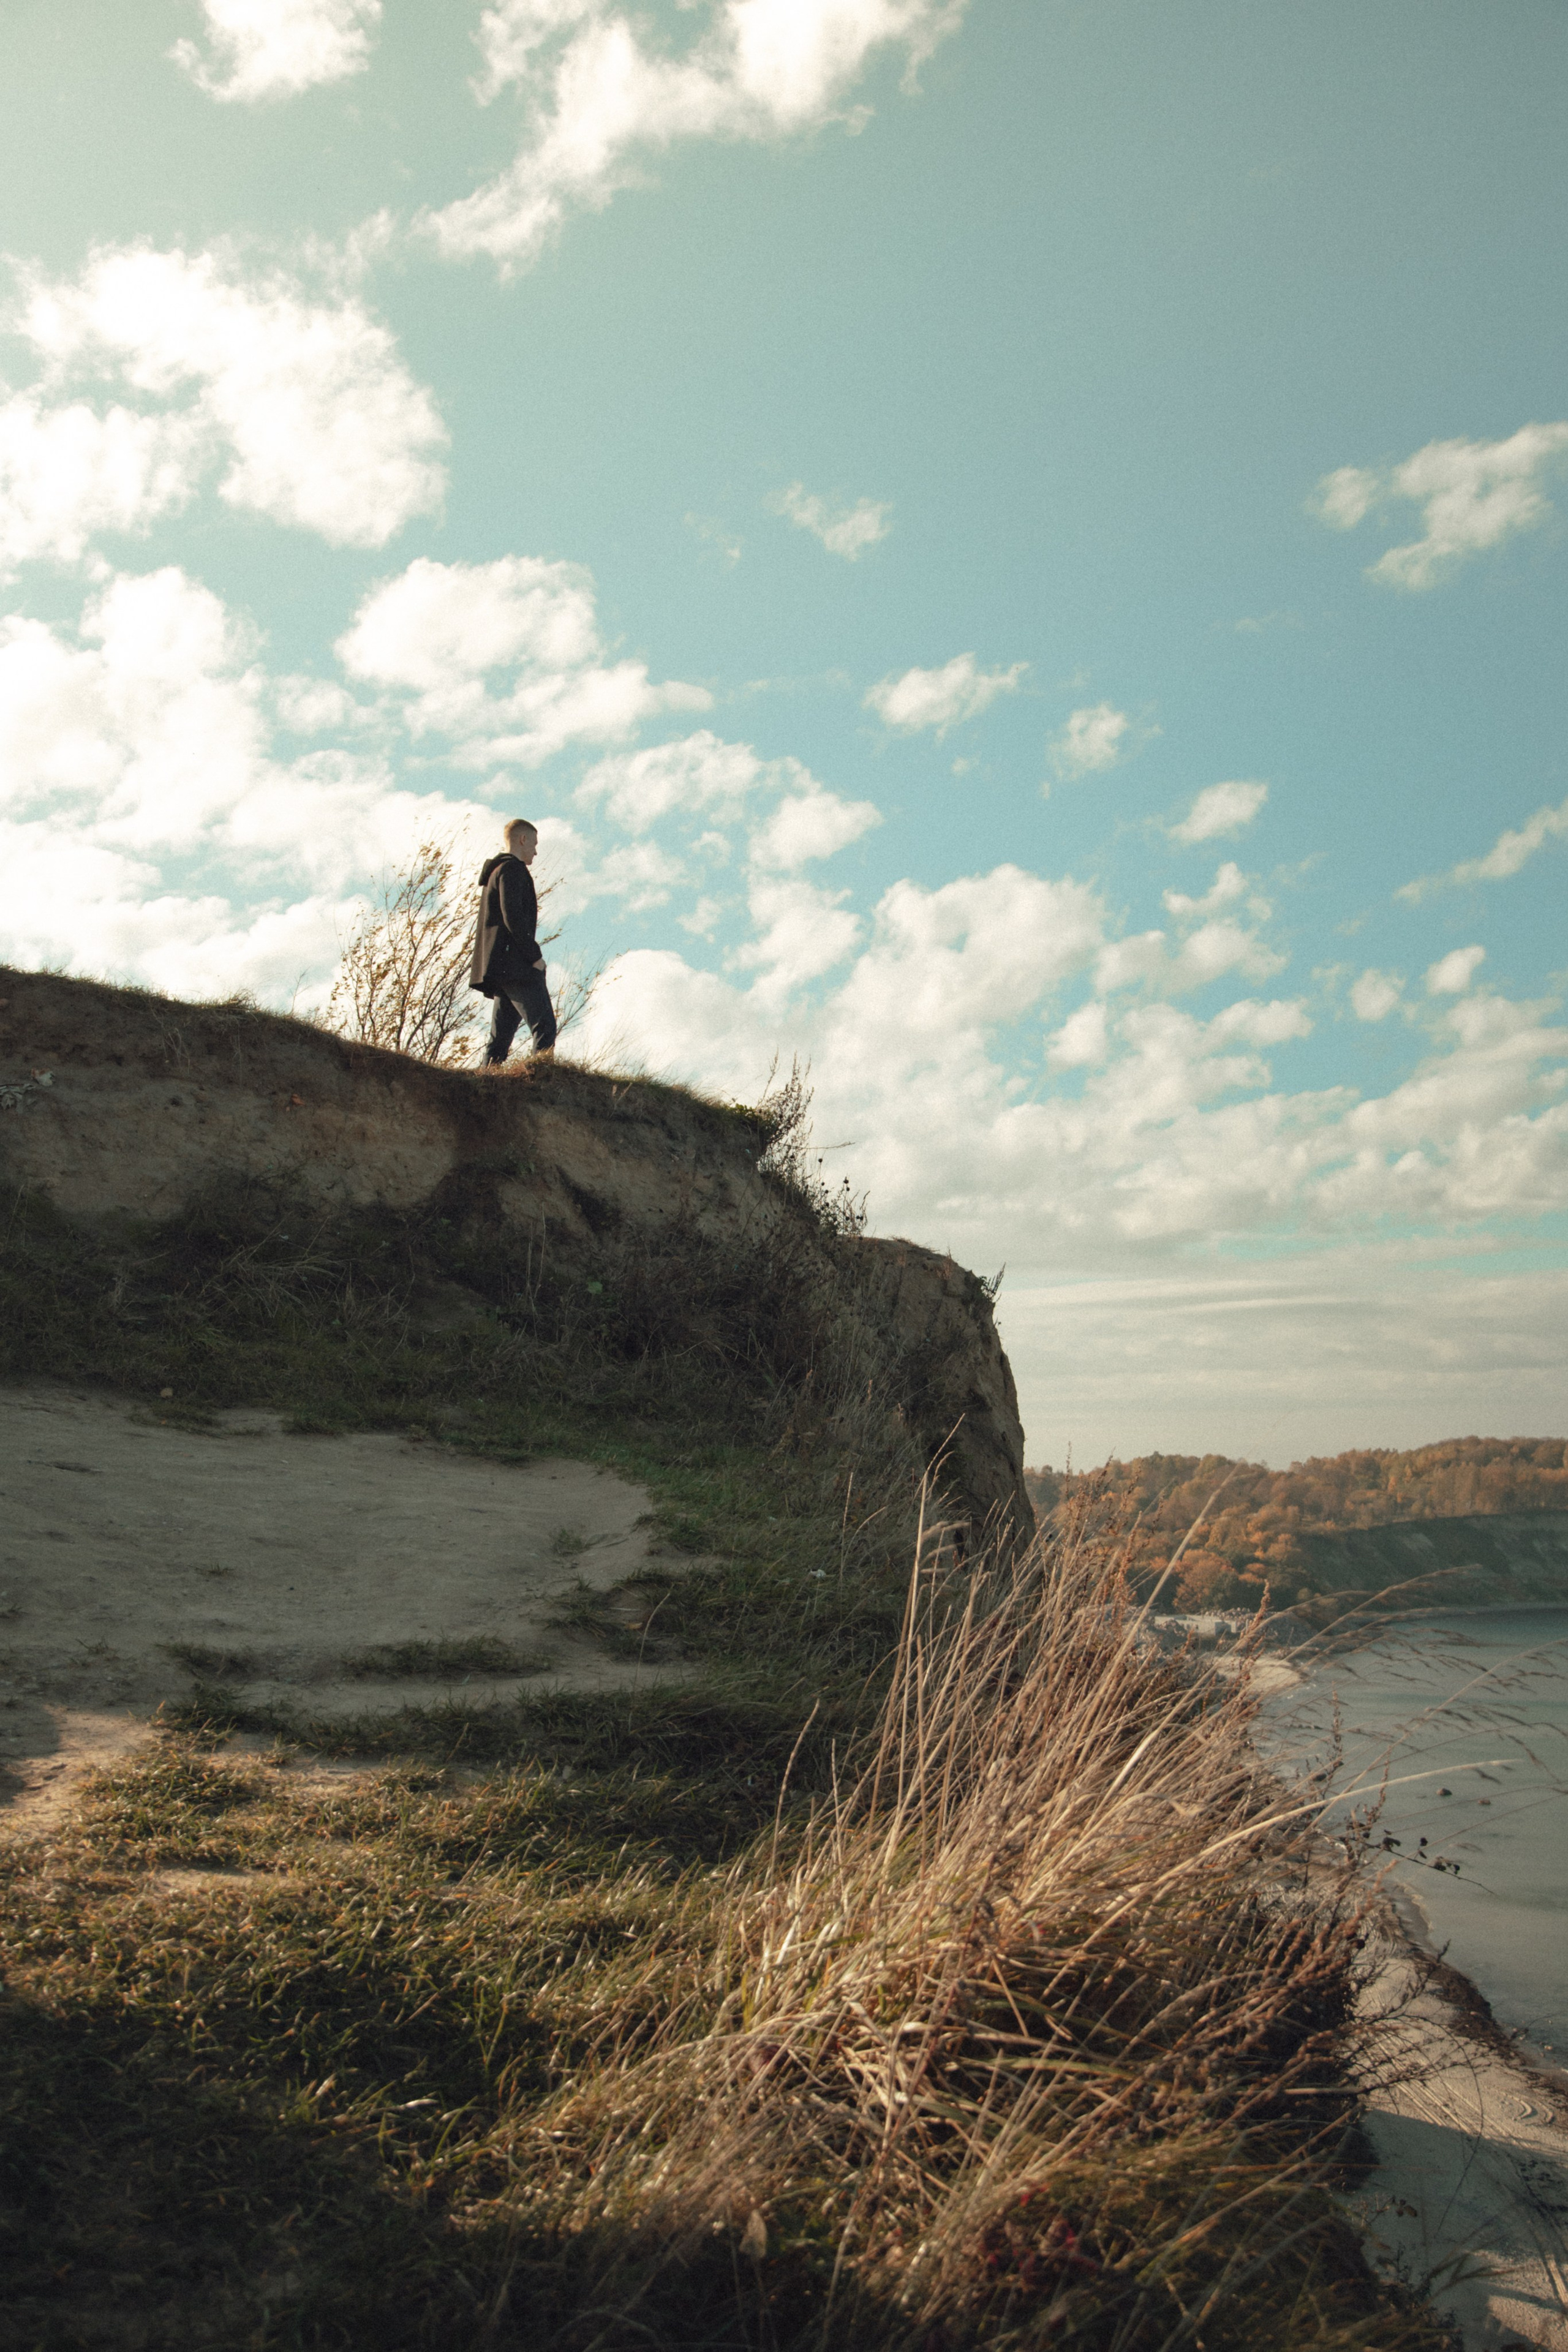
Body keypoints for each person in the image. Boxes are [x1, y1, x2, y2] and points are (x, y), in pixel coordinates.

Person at [469, 818, 558, 1063]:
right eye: (535, 844)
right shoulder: (512, 870)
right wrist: (535, 958)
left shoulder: (495, 873)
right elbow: (514, 918)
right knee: (545, 1026)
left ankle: (486, 1087)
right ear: (523, 840)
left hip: (501, 967)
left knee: (499, 1040)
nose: (536, 851)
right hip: (516, 966)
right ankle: (540, 1084)